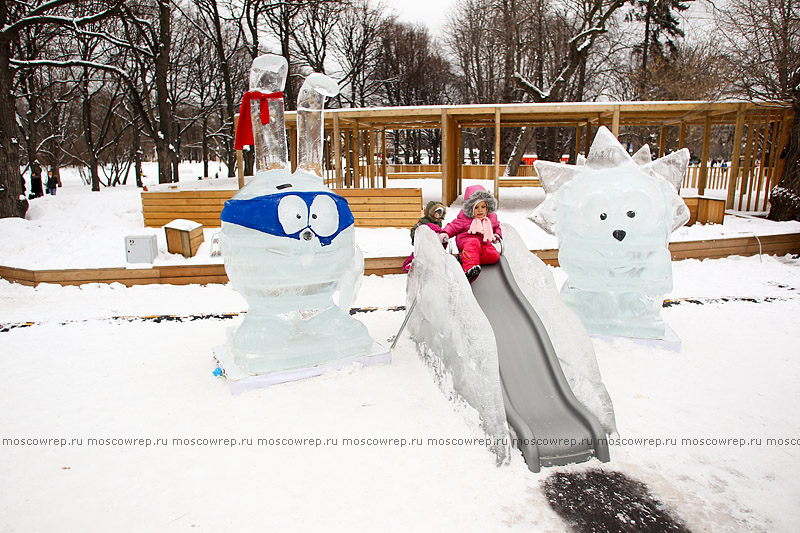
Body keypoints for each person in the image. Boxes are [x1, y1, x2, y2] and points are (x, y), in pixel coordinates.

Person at [440, 185, 502, 282]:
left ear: (487, 207)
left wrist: (497, 234)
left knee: (493, 255)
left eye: (483, 207)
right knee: (474, 242)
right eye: (476, 207)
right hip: (467, 241)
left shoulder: (491, 218)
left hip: (484, 243)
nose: (480, 210)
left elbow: (496, 227)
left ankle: (466, 258)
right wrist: (445, 233)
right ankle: (469, 269)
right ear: (470, 208)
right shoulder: (464, 218)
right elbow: (453, 226)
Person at [402, 200, 447, 273]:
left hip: (434, 245)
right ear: (431, 212)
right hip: (424, 243)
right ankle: (411, 263)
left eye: (440, 214)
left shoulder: (438, 223)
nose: (439, 215)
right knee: (418, 255)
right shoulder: (423, 221)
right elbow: (415, 230)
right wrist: (415, 238)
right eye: (437, 213)